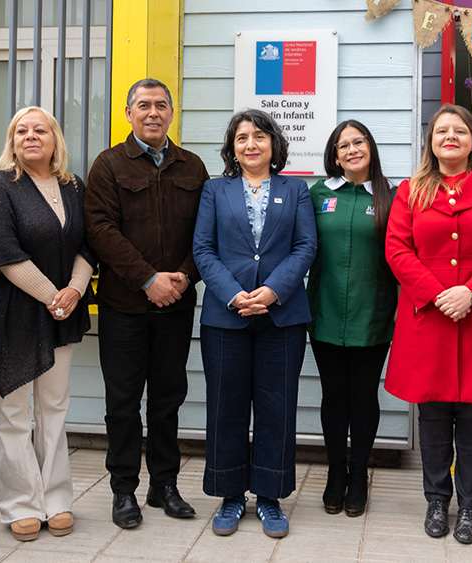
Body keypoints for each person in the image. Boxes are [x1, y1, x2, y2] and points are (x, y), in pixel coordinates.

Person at [384, 104, 472, 545]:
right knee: (432, 414)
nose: (450, 137)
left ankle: (470, 506)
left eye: (459, 131)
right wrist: (436, 293)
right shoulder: (411, 191)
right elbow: (397, 249)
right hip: (429, 315)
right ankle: (435, 500)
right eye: (441, 131)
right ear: (431, 141)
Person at [84, 78, 209, 529]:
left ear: (171, 112)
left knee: (167, 399)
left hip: (176, 306)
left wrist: (182, 277)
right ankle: (123, 491)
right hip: (124, 308)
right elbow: (100, 230)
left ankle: (165, 485)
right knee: (122, 402)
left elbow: (206, 233)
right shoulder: (109, 165)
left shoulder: (192, 166)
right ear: (128, 113)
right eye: (143, 105)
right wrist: (148, 280)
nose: (152, 112)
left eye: (161, 105)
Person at [0, 106, 95, 541]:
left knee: (55, 407)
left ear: (55, 139)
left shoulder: (73, 186)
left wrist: (74, 291)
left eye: (40, 129)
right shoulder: (1, 185)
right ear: (12, 141)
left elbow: (88, 246)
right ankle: (20, 503)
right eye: (21, 130)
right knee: (16, 411)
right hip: (11, 313)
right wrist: (52, 297)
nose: (30, 136)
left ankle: (56, 499)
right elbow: (1, 249)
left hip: (62, 308)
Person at [192, 109, 317, 539]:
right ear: (232, 147)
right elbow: (203, 249)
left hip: (282, 316)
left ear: (273, 144)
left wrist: (273, 290)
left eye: (259, 136)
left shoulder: (296, 189)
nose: (251, 144)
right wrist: (233, 294)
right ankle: (229, 495)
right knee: (225, 405)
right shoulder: (215, 190)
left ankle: (269, 495)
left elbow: (305, 247)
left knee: (276, 406)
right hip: (226, 316)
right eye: (242, 137)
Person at [307, 120, 396, 517]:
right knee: (333, 396)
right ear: (334, 154)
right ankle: (335, 473)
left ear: (371, 147)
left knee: (362, 397)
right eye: (343, 145)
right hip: (324, 311)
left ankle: (358, 474)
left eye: (358, 142)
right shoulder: (318, 194)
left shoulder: (391, 198)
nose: (351, 150)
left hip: (372, 313)